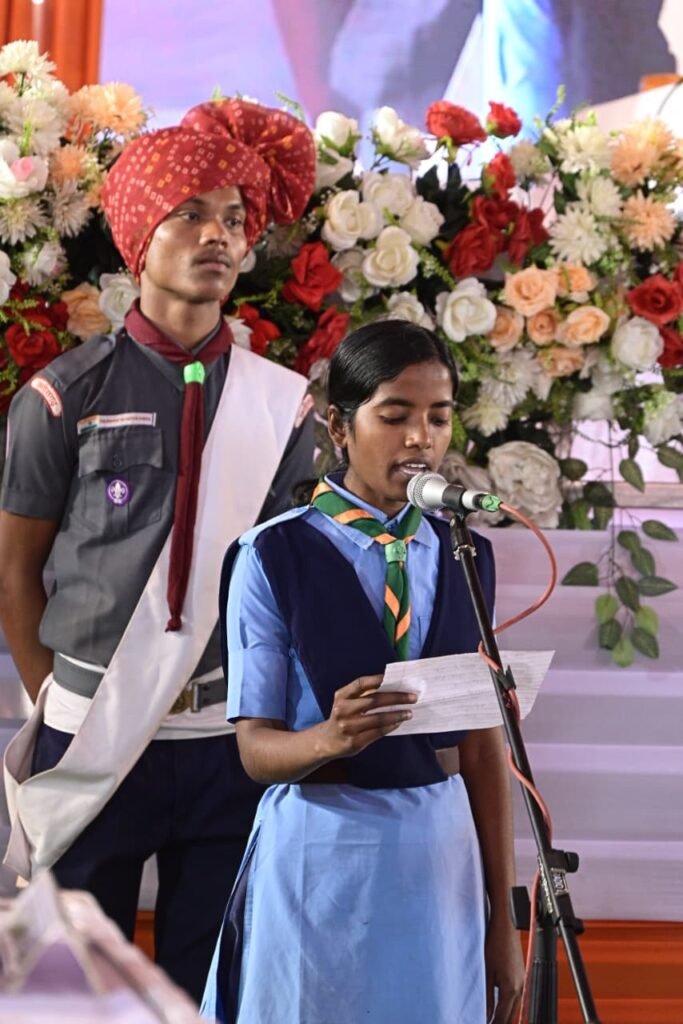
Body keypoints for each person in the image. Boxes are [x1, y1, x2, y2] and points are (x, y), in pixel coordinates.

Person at [0, 98, 316, 1003]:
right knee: (72, 985)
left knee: (206, 985)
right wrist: (63, 702)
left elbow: (287, 576)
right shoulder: (63, 394)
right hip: (92, 725)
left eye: (234, 219)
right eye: (190, 214)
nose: (217, 235)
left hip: (227, 738)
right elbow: (15, 573)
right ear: (140, 237)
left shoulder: (282, 405)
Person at [201, 320, 525, 1024]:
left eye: (438, 418)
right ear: (339, 427)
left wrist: (503, 920)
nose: (420, 439)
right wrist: (329, 738)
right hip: (320, 850)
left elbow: (480, 746)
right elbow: (254, 751)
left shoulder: (464, 553)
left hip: (438, 854)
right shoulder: (271, 554)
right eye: (395, 415)